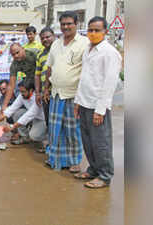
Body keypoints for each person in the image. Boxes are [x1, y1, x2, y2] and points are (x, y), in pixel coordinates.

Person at [73, 16, 122, 188]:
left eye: (97, 30)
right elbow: (84, 78)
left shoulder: (110, 53)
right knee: (88, 140)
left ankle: (105, 175)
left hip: (97, 105)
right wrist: (78, 102)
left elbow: (109, 84)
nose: (93, 33)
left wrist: (100, 110)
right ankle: (93, 169)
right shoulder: (88, 49)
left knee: (101, 142)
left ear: (105, 32)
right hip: (84, 102)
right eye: (90, 30)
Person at [43, 11, 90, 172]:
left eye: (69, 23)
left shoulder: (84, 43)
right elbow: (49, 68)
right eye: (63, 24)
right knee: (55, 129)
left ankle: (74, 161)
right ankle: (56, 159)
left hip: (73, 95)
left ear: (77, 24)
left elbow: (88, 70)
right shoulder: (56, 43)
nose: (66, 27)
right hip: (56, 94)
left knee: (73, 129)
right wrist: (46, 89)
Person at [0, 80, 47, 145]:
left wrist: (12, 127)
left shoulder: (37, 98)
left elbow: (28, 116)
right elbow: (11, 109)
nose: (21, 94)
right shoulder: (22, 96)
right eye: (20, 91)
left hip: (42, 119)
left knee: (34, 136)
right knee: (17, 113)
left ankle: (47, 139)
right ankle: (25, 138)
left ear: (31, 90)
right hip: (33, 118)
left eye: (23, 91)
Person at [0, 43, 37, 114]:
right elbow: (11, 85)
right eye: (13, 55)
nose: (16, 56)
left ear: (22, 49)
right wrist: (4, 106)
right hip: (32, 86)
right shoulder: (14, 64)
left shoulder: (33, 54)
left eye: (17, 52)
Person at [35, 27, 56, 128]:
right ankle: (51, 142)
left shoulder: (59, 50)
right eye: (42, 38)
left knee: (59, 121)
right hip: (45, 93)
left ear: (54, 36)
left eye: (48, 37)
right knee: (49, 120)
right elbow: (37, 75)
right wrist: (38, 93)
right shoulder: (40, 54)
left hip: (57, 92)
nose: (45, 40)